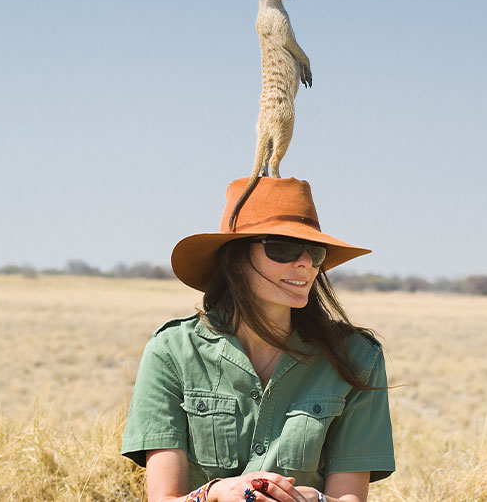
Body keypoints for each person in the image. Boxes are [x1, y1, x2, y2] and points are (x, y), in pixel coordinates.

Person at [121, 177, 395, 502]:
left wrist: (311, 500)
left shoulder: (357, 359)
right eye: (283, 248)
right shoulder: (172, 352)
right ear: (235, 258)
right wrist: (218, 494)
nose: (305, 262)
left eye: (315, 251)